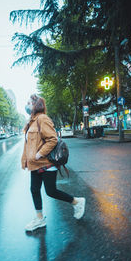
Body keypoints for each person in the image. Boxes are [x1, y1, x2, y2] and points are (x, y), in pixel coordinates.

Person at [21, 94, 86, 232]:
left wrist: (39, 154)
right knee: (34, 190)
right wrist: (26, 160)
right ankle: (39, 219)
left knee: (51, 191)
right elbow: (28, 145)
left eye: (29, 102)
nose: (26, 105)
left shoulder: (43, 119)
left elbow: (52, 139)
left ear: (36, 104)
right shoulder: (31, 122)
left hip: (46, 163)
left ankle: (77, 202)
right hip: (35, 164)